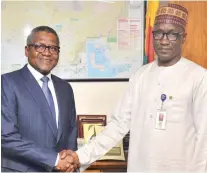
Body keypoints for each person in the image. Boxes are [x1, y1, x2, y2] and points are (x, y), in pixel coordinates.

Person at [63, 3, 207, 172]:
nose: (164, 40)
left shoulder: (199, 77)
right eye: (158, 33)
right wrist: (81, 157)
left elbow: (204, 138)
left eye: (172, 34)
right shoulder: (140, 76)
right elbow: (118, 125)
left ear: (184, 38)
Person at [1, 26, 79, 172]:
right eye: (40, 46)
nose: (47, 53)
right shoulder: (6, 83)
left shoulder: (65, 88)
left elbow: (71, 134)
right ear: (27, 50)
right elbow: (6, 137)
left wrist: (71, 163)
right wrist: (54, 160)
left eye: (53, 48)